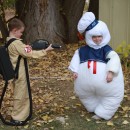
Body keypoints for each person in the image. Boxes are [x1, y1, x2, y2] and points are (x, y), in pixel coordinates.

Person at [68, 12, 124, 120]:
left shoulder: (106, 49)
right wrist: (74, 71)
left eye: (99, 36)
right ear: (89, 36)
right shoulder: (83, 50)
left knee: (112, 97)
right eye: (94, 37)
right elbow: (76, 57)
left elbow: (114, 58)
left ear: (104, 35)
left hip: (106, 82)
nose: (97, 39)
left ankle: (103, 112)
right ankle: (93, 107)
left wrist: (111, 72)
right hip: (85, 86)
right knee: (85, 96)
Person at [7, 18, 53, 125]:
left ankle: (24, 115)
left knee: (22, 94)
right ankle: (17, 118)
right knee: (20, 95)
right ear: (14, 30)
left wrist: (28, 47)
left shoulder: (9, 41)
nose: (21, 35)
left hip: (17, 73)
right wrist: (45, 51)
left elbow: (25, 50)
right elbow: (29, 54)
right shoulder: (16, 43)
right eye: (20, 32)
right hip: (19, 74)